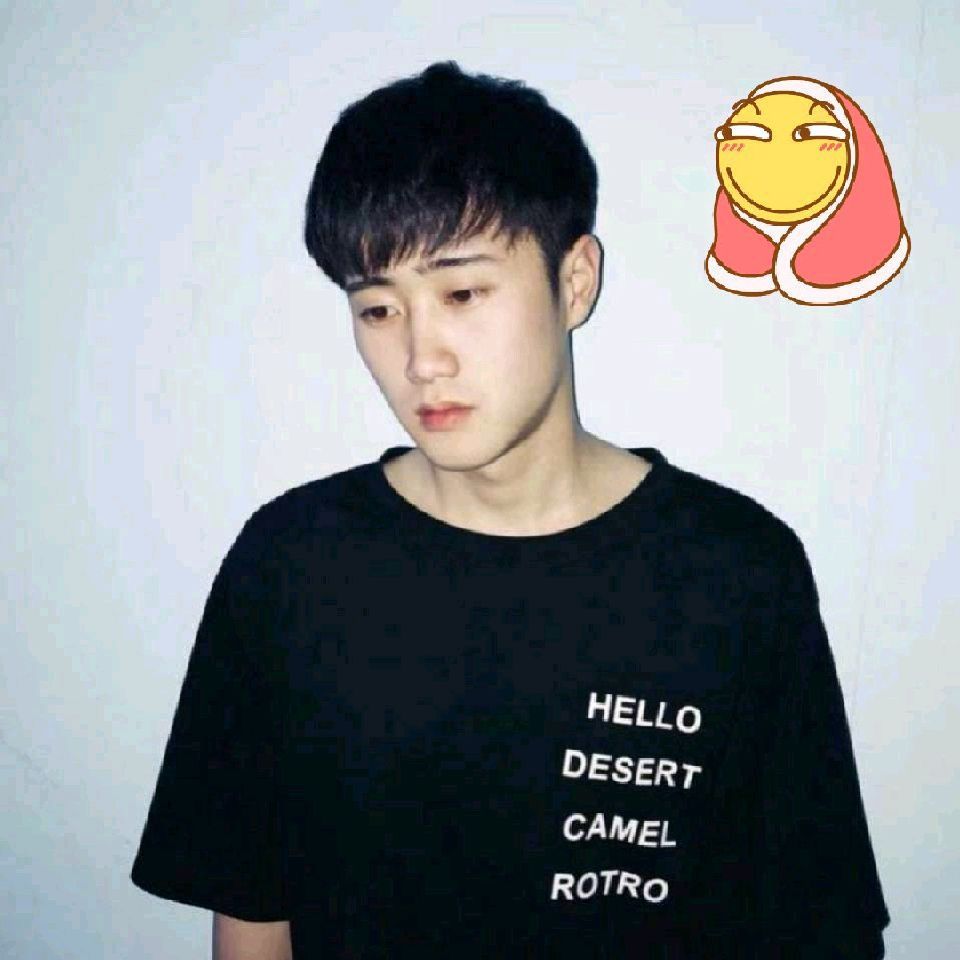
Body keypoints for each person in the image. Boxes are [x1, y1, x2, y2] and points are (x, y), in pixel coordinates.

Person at [130, 60, 891, 959]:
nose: (422, 359)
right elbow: (253, 918)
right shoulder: (291, 566)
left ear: (575, 281)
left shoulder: (736, 571)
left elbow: (815, 923)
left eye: (461, 294)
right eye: (377, 309)